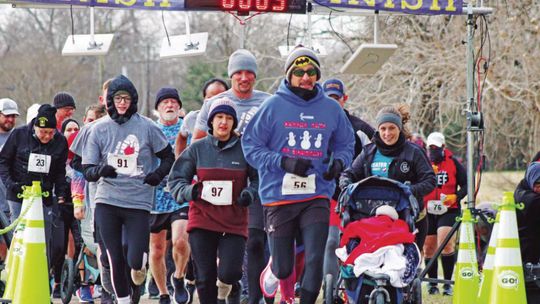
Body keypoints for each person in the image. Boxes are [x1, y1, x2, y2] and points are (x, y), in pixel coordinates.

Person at [242, 46, 355, 303]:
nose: (306, 77)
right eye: (300, 72)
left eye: (311, 71)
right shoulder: (273, 106)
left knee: (316, 257)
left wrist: (338, 163)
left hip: (316, 193)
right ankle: (272, 270)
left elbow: (346, 143)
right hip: (279, 196)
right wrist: (284, 162)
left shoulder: (330, 108)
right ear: (289, 75)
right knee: (283, 267)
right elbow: (251, 146)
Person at [81, 75, 175, 304]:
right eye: (117, 98)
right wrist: (101, 170)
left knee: (135, 259)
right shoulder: (98, 129)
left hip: (138, 201)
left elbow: (168, 156)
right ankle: (123, 300)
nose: (122, 103)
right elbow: (87, 169)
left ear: (133, 100)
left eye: (126, 98)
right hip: (107, 199)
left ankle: (139, 270)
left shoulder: (147, 127)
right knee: (114, 257)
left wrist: (156, 175)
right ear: (109, 101)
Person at [193, 50, 271, 304]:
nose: (244, 77)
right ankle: (231, 285)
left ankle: (253, 296)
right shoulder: (215, 103)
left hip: (258, 180)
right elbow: (197, 143)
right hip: (223, 181)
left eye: (249, 72)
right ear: (231, 75)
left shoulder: (267, 102)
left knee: (256, 240)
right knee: (223, 250)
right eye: (238, 72)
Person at [168, 98, 259, 304]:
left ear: (234, 123)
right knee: (205, 277)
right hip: (203, 220)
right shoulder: (198, 149)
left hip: (234, 222)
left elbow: (257, 179)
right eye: (219, 117)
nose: (223, 122)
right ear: (211, 121)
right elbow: (175, 181)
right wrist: (192, 191)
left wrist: (249, 193)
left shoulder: (245, 149)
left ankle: (232, 286)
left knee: (229, 273)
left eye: (228, 118)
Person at [340, 104, 436, 253]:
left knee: (407, 266)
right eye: (383, 129)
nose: (387, 133)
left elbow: (430, 180)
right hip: (373, 217)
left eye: (392, 128)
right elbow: (349, 174)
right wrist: (347, 185)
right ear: (378, 129)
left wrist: (407, 190)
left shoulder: (414, 152)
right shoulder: (369, 152)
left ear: (399, 129)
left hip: (409, 217)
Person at [321, 79, 374, 289]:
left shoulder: (360, 128)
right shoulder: (316, 124)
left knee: (356, 241)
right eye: (328, 98)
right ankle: (329, 288)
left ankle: (355, 285)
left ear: (344, 99)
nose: (332, 103)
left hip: (356, 195)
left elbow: (377, 154)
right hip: (328, 194)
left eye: (336, 98)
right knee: (331, 242)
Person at [149, 87, 191, 304]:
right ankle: (164, 292)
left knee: (180, 241)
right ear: (157, 108)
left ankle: (179, 277)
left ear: (179, 106)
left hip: (180, 196)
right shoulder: (150, 130)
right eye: (164, 102)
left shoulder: (187, 131)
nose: (170, 105)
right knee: (156, 251)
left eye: (174, 102)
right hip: (155, 198)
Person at [422, 132, 466, 296]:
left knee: (446, 242)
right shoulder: (423, 162)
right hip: (427, 209)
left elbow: (466, 184)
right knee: (428, 248)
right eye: (430, 148)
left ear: (443, 148)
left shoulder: (453, 163)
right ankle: (432, 284)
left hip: (449, 209)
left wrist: (456, 196)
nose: (432, 151)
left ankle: (447, 283)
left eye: (436, 148)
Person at [174, 78, 229, 158]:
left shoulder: (232, 120)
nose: (213, 102)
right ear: (204, 99)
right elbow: (182, 137)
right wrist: (179, 161)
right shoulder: (192, 118)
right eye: (210, 98)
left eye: (219, 98)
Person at [515, 161, 540, 302]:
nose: (539, 189)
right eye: (537, 186)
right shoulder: (525, 195)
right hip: (527, 252)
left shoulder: (526, 187)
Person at [0, 98, 20, 219]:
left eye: (13, 116)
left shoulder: (19, 136)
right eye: (7, 116)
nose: (11, 119)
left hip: (12, 201)